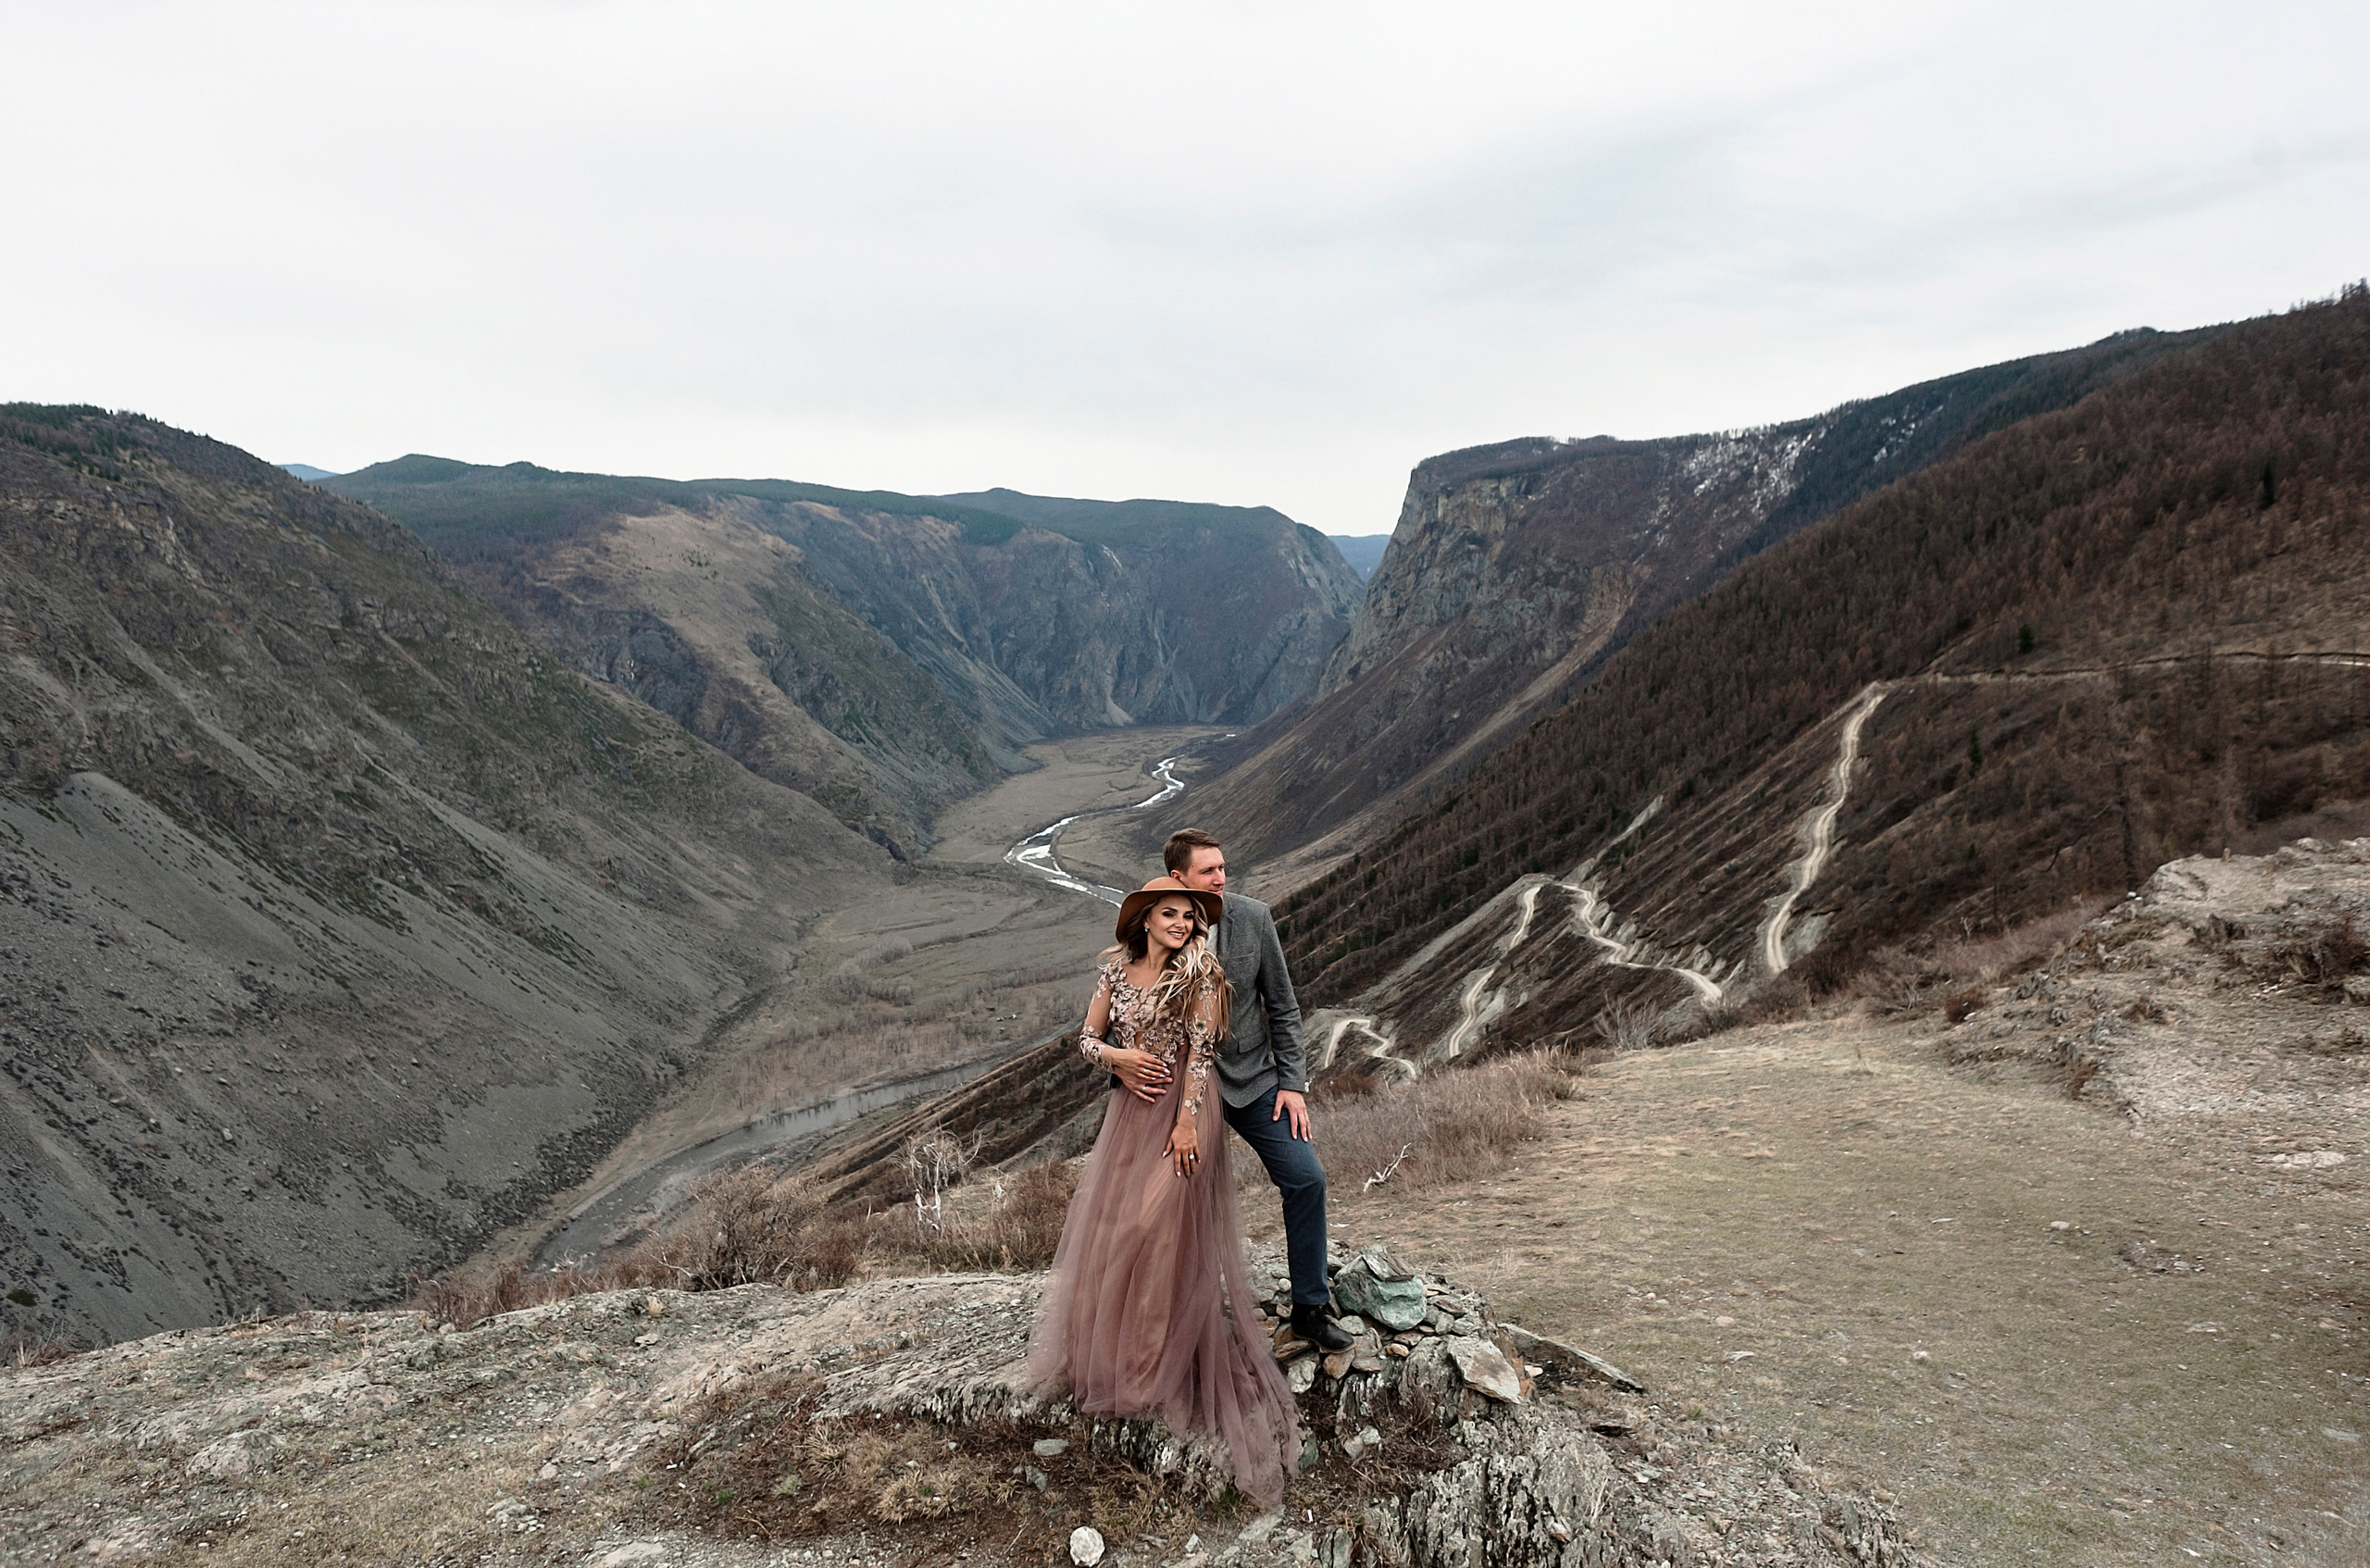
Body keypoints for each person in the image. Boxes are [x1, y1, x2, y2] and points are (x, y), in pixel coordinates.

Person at [1026, 877, 1301, 1508]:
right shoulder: (1116, 972)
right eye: (1170, 914)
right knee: (1115, 1227)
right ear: (1145, 920)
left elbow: (1201, 1057)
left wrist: (1186, 1124)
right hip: (1131, 1110)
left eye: (1189, 916)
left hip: (1185, 1111)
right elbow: (1086, 1040)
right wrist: (1119, 1062)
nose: (1182, 924)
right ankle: (1110, 1359)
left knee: (1151, 1226)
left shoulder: (1200, 974)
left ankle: (1150, 1366)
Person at [1161, 828, 1352, 1353]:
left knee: (1306, 1177)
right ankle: (1175, 1314)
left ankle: (1310, 1308)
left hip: (1252, 1079)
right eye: (1208, 871)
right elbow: (1126, 1004)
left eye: (1223, 867)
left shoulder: (1253, 917)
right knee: (1170, 1198)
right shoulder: (1155, 924)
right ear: (1178, 877)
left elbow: (1283, 1007)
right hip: (1181, 1091)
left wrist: (1292, 1084)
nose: (1220, 878)